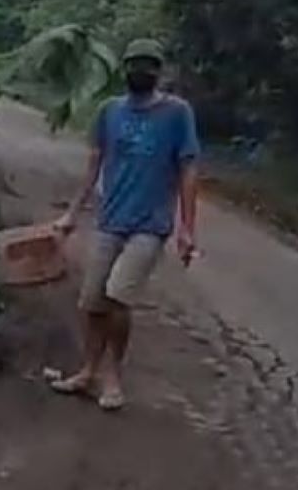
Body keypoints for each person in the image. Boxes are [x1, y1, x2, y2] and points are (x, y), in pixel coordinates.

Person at [49, 38, 200, 411]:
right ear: (125, 69)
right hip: (110, 221)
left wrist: (187, 228)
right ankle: (87, 372)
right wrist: (72, 213)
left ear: (159, 71)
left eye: (149, 65)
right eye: (135, 64)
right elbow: (93, 165)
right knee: (91, 303)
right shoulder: (109, 111)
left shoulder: (177, 113)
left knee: (118, 296)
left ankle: (113, 377)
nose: (141, 71)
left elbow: (188, 169)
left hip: (150, 225)